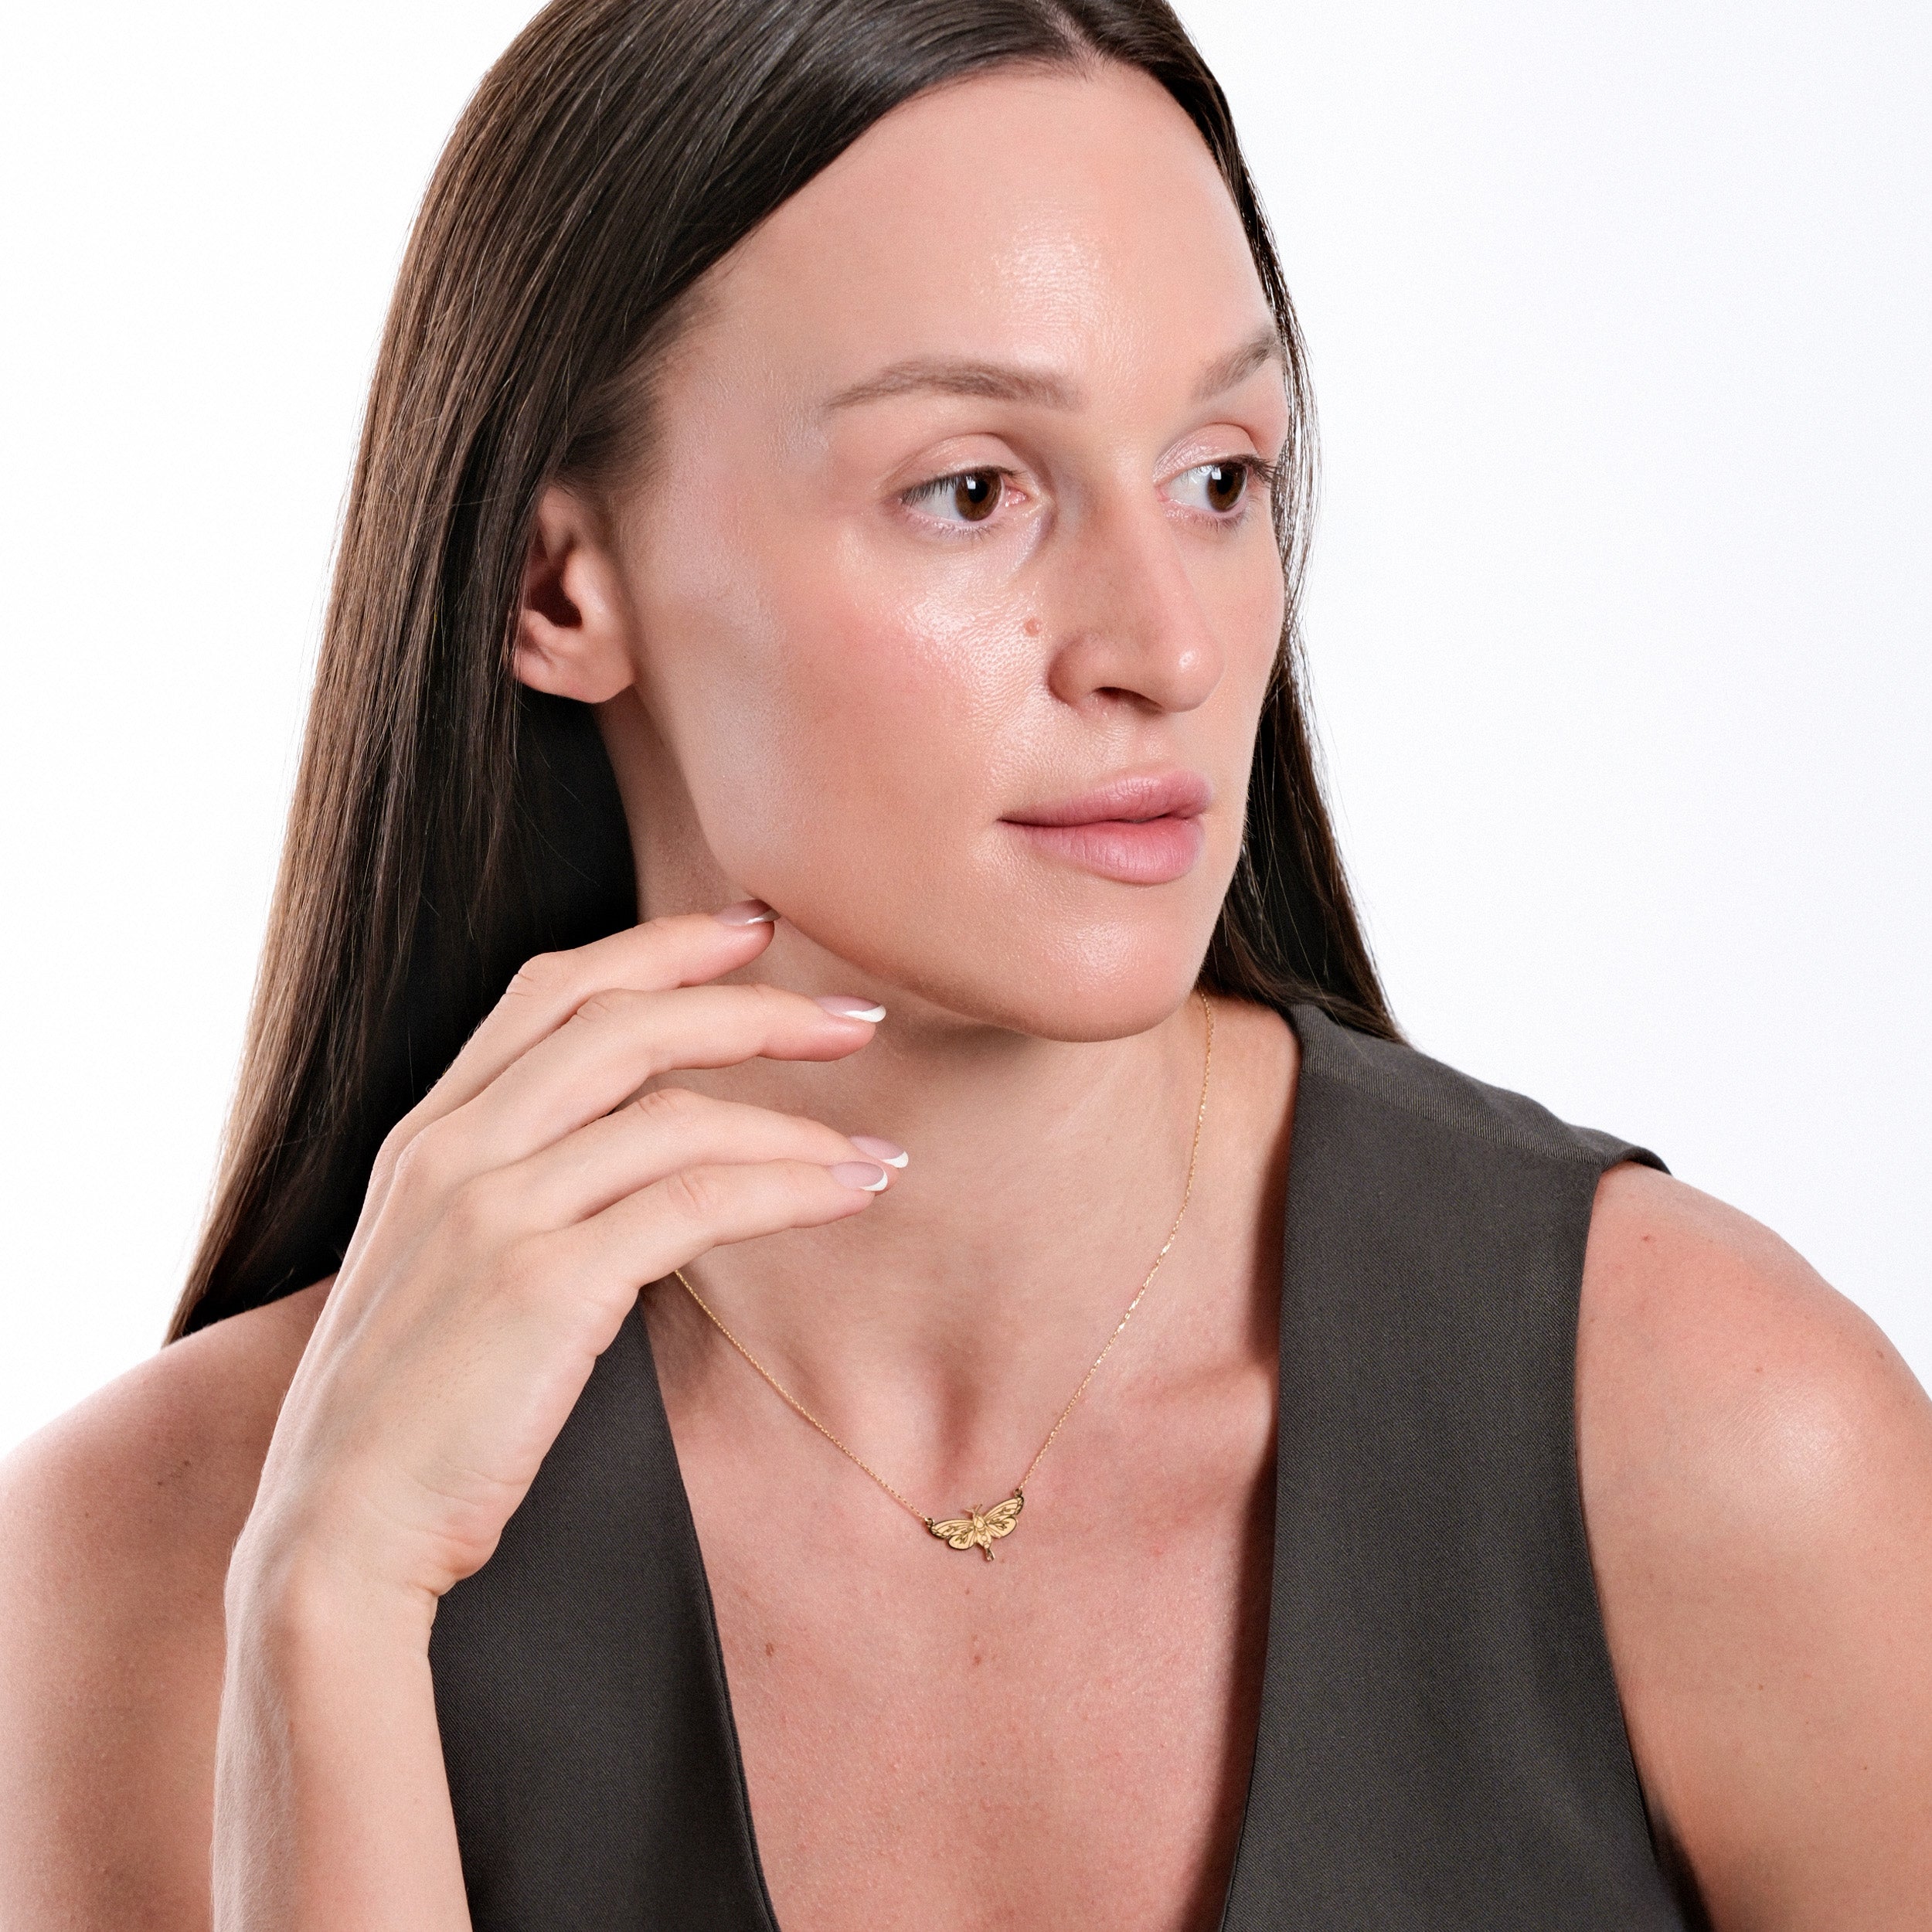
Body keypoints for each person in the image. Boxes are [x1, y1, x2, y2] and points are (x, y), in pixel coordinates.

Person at [2, 1, 1929, 1926]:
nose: (1163, 644)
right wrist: (330, 1605)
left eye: (1217, 474)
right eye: (971, 489)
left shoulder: (1709, 1448)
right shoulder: (160, 1571)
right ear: (554, 581)